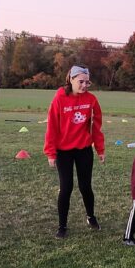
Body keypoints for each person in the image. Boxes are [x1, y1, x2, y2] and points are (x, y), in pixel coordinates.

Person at [43, 65, 105, 239]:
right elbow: (52, 127)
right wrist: (51, 153)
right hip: (64, 152)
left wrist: (100, 149)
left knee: (86, 186)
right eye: (81, 81)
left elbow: (96, 126)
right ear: (71, 79)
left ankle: (91, 217)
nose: (85, 85)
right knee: (66, 187)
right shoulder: (59, 100)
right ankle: (62, 226)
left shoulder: (91, 99)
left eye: (87, 82)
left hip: (84, 149)